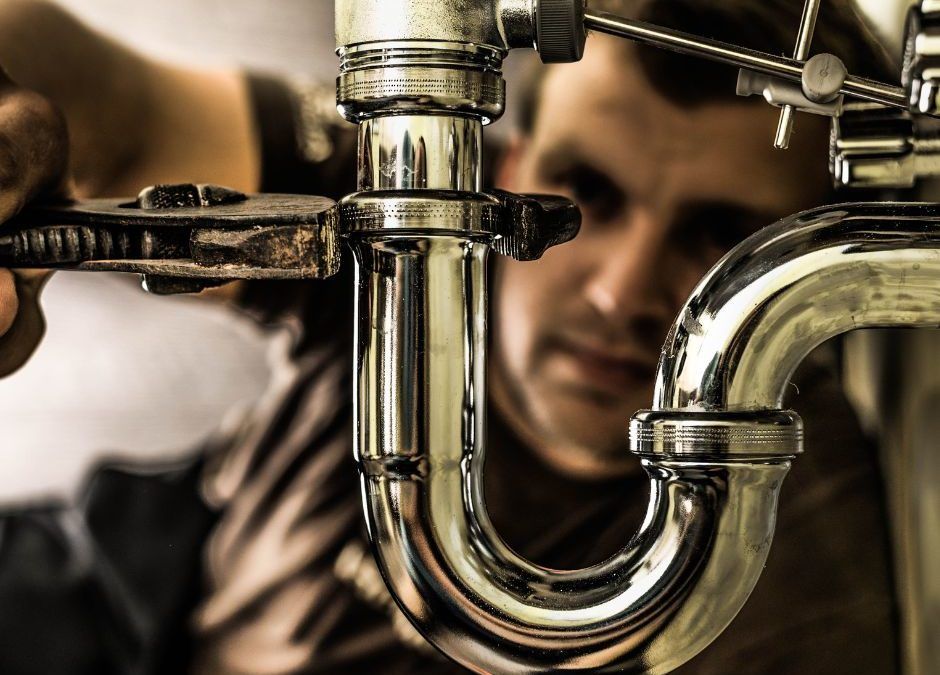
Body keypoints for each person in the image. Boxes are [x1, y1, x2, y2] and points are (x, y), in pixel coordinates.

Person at [0, 0, 901, 673]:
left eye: (720, 239)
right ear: (507, 169)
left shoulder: (790, 565)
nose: (621, 291)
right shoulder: (417, 207)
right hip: (124, 614)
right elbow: (95, 91)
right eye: (587, 194)